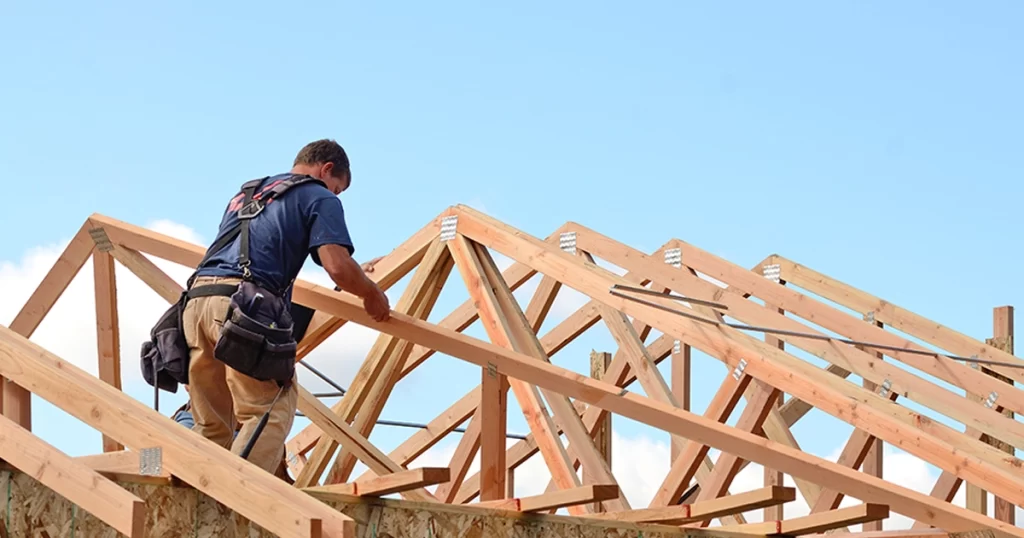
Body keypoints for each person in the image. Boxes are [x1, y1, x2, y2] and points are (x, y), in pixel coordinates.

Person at [182, 139, 390, 476]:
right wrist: (370, 294)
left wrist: (349, 278)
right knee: (270, 409)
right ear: (327, 170)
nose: (335, 196)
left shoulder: (248, 194)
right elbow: (336, 264)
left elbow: (259, 252)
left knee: (213, 423)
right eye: (337, 188)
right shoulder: (318, 196)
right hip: (243, 307)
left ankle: (202, 500)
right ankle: (238, 500)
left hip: (197, 304)